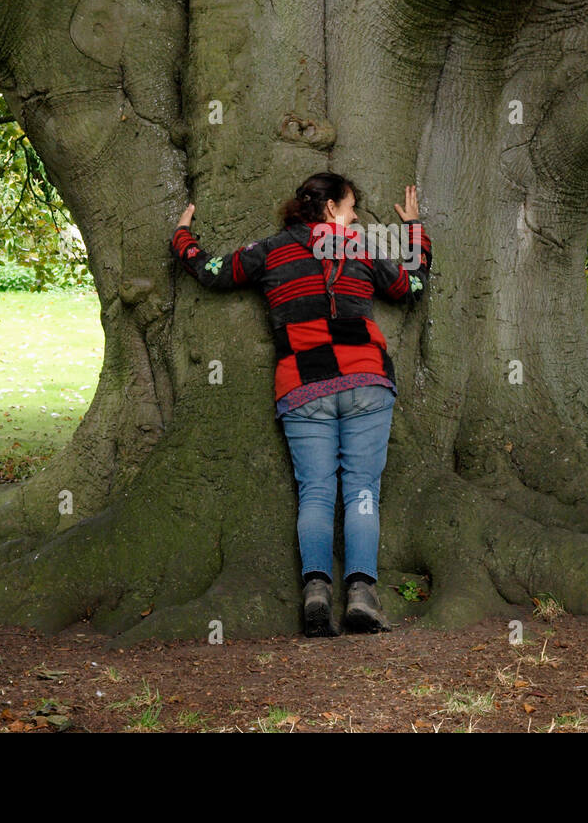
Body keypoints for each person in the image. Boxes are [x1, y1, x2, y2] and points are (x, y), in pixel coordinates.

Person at [169, 173, 432, 637]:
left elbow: (210, 272)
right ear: (331, 209)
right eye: (351, 208)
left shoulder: (269, 251)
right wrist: (414, 231)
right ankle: (362, 596)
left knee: (314, 490)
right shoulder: (359, 247)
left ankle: (315, 592)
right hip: (366, 380)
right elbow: (410, 289)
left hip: (303, 385)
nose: (354, 217)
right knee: (363, 489)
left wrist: (182, 238)